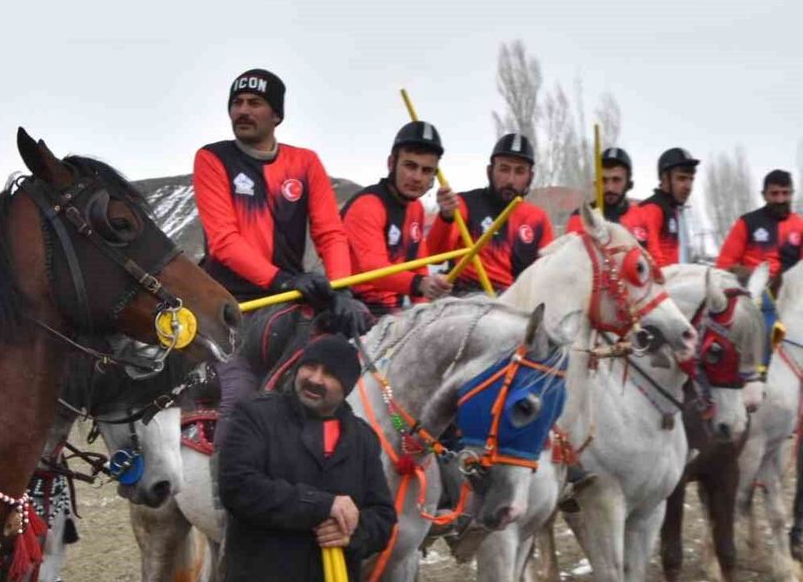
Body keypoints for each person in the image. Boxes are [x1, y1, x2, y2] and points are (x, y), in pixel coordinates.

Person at [193, 68, 371, 448]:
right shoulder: (212, 159)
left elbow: (330, 234)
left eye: (255, 103)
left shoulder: (305, 163)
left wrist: (342, 292)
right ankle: (228, 481)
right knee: (240, 398)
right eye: (237, 103)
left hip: (288, 303)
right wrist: (285, 280)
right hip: (231, 309)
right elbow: (223, 241)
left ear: (277, 115)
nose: (243, 110)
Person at [219, 334, 396, 581]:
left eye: (330, 374)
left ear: (347, 386)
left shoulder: (363, 438)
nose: (315, 379)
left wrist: (354, 533)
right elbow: (238, 487)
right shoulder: (256, 415)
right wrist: (322, 505)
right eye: (310, 366)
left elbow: (383, 518)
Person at [714, 169, 803, 554]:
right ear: (764, 193)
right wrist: (758, 275)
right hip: (755, 302)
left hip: (790, 309)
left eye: (785, 192)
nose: (780, 198)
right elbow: (724, 265)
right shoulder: (748, 224)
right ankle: (747, 397)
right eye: (774, 193)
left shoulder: (799, 226)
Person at [342, 121, 453, 317]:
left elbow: (419, 267)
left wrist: (424, 311)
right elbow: (373, 268)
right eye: (410, 166)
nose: (417, 177)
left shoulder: (417, 208)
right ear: (391, 163)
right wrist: (421, 285)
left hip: (394, 312)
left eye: (426, 170)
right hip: (354, 309)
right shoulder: (367, 205)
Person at [426, 133, 554, 294]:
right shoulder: (463, 203)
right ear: (490, 171)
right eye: (504, 169)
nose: (510, 180)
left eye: (519, 171)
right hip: (465, 299)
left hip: (515, 302)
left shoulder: (538, 218)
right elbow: (435, 255)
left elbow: (547, 275)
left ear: (530, 177)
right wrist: (446, 216)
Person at [566, 147, 649, 239]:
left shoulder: (643, 217)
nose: (610, 188)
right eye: (603, 180)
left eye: (616, 180)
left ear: (628, 183)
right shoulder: (581, 217)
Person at [636, 148, 700, 267]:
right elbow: (652, 257)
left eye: (691, 179)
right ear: (665, 180)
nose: (688, 186)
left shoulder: (676, 210)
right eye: (681, 178)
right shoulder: (652, 209)